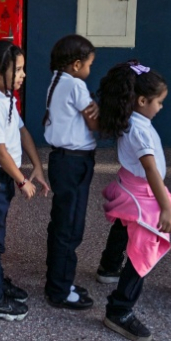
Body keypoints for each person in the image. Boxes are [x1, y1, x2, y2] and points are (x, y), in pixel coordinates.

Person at [95, 60, 171, 341]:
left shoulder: (130, 119)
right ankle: (120, 310)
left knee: (122, 224)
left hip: (129, 186)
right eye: (159, 102)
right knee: (142, 256)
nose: (161, 107)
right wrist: (165, 208)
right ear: (142, 100)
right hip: (143, 196)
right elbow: (152, 169)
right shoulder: (140, 130)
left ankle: (108, 267)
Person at [0, 40, 50, 322]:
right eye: (18, 70)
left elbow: (22, 131)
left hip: (2, 177)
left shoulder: (4, 96)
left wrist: (37, 168)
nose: (23, 75)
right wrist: (20, 180)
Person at [42, 35, 98, 310]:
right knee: (70, 227)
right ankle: (60, 290)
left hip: (62, 161)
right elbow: (94, 121)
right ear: (76, 65)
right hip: (74, 162)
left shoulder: (56, 81)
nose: (89, 70)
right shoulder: (76, 85)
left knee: (61, 223)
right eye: (89, 65)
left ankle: (58, 280)